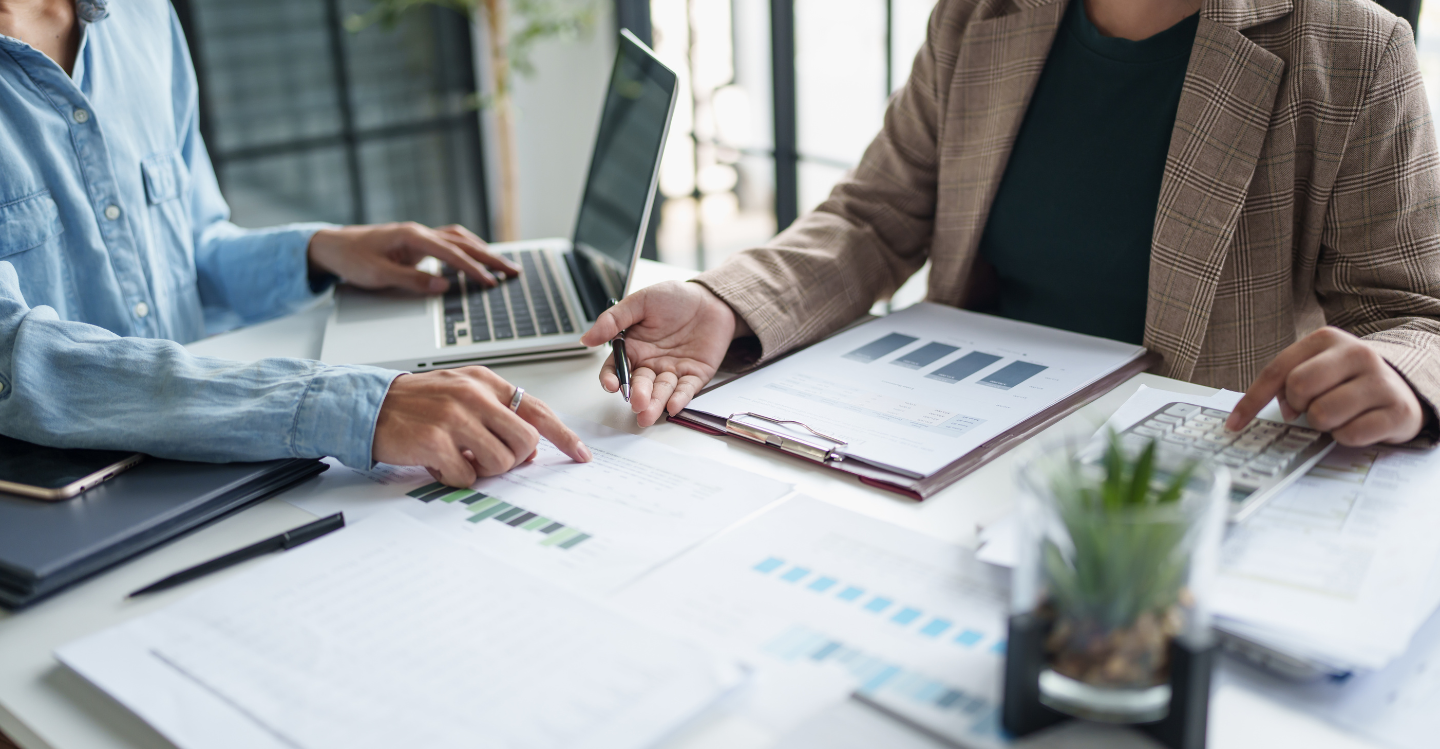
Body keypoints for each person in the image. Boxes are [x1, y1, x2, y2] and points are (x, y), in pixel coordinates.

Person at [583, 0, 1440, 449]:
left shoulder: (1354, 50)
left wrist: (1398, 377)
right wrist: (725, 302)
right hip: (949, 432)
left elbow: (1413, 311)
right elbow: (876, 216)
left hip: (1175, 469)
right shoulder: (982, 12)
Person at [0, 0, 590, 488]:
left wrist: (320, 251)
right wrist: (356, 407)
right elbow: (16, 359)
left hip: (218, 445)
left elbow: (192, 244)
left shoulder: (142, 15)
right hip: (66, 488)